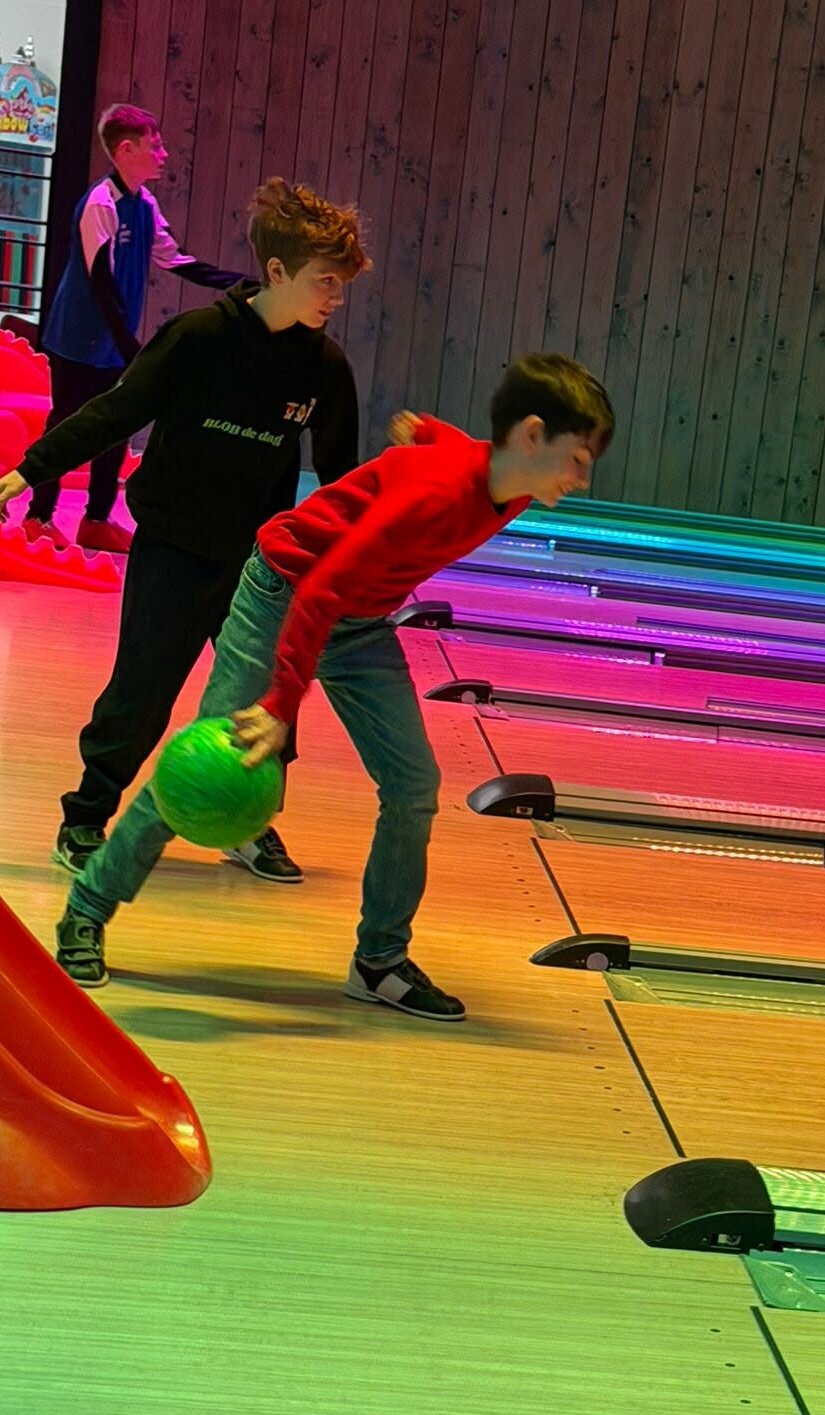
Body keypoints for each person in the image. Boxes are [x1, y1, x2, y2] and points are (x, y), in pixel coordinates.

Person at [53, 353, 615, 1019]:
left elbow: (452, 444)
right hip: (285, 591)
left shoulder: (510, 480)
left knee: (413, 787)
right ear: (531, 434)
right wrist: (279, 706)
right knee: (209, 760)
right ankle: (86, 909)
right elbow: (319, 590)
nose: (582, 479)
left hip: (361, 621)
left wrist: (423, 429)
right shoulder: (434, 495)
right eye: (577, 459)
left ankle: (379, 960)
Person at [0, 179, 365, 884]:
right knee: (142, 692)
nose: (337, 297)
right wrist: (31, 470)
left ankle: (248, 823)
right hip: (172, 550)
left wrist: (351, 562)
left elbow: (342, 478)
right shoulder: (198, 338)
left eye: (343, 284)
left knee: (264, 702)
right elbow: (115, 412)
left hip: (260, 565)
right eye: (326, 281)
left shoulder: (325, 368)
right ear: (278, 271)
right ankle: (86, 816)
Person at [25, 103, 254, 554]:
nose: (164, 154)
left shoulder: (144, 203)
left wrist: (240, 283)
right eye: (156, 145)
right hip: (77, 338)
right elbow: (101, 284)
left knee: (117, 428)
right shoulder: (100, 204)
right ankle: (38, 516)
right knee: (65, 424)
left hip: (115, 342)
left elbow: (177, 259)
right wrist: (133, 350)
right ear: (126, 151)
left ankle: (96, 520)